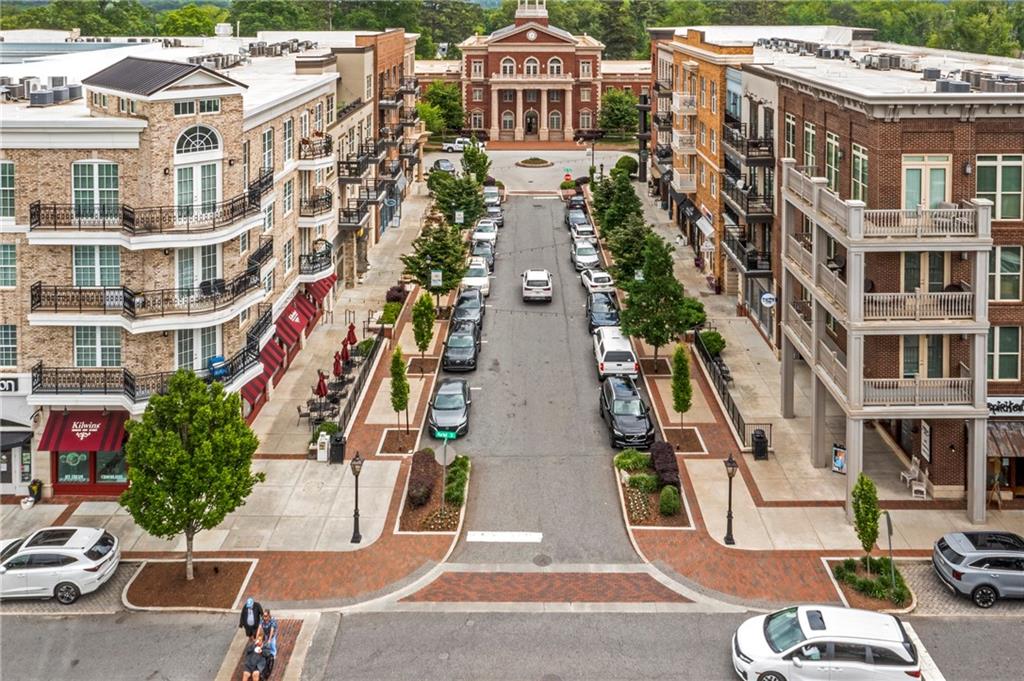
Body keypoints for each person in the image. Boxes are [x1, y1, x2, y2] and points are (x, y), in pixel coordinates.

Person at [259, 609, 278, 676]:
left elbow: (272, 630)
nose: (264, 617)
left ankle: (273, 653)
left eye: (266, 616)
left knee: (272, 643)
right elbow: (259, 628)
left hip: (272, 633)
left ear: (269, 615)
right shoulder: (262, 619)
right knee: (266, 641)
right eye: (263, 616)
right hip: (266, 632)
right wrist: (257, 637)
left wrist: (270, 639)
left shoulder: (272, 620)